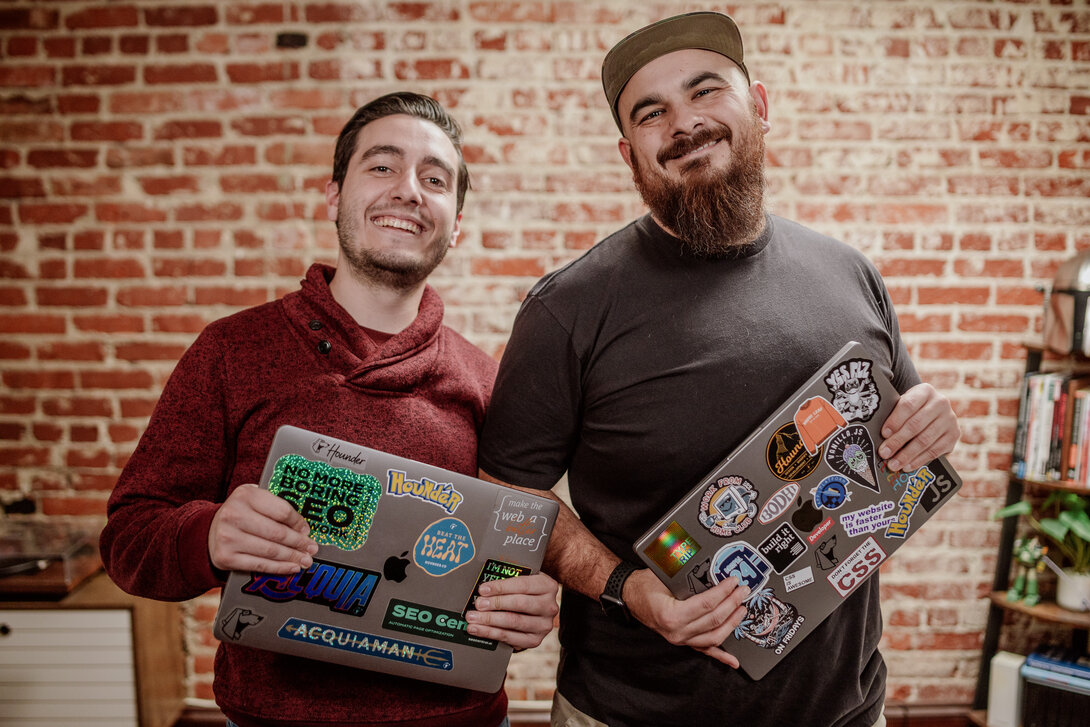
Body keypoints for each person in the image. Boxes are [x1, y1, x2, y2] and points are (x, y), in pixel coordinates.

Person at [476, 12, 960, 727]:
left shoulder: (849, 274)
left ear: (759, 106)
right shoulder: (568, 308)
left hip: (847, 709)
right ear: (627, 152)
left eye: (706, 92)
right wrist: (627, 587)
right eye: (652, 113)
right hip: (628, 712)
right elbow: (508, 493)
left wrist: (932, 423)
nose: (685, 123)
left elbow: (899, 438)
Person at [100, 91, 559, 727]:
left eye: (434, 178)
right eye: (381, 166)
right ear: (333, 197)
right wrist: (207, 534)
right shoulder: (231, 351)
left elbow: (510, 560)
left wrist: (527, 602)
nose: (408, 190)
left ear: (456, 224)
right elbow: (128, 539)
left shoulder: (488, 383)